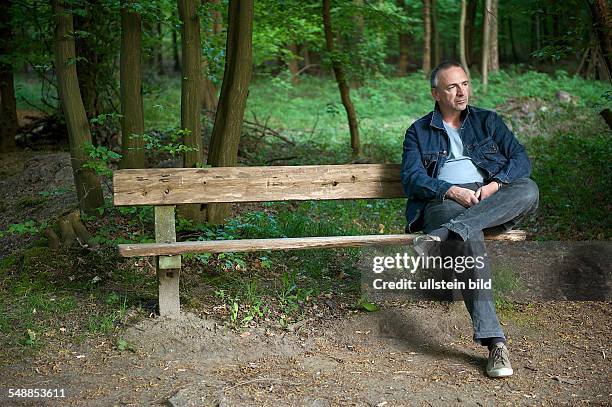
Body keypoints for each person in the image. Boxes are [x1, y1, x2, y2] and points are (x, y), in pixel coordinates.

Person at [400, 60, 539, 378]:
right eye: (452, 86)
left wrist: (495, 184)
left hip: (488, 199)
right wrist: (451, 191)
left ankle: (446, 234)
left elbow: (520, 159)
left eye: (464, 84)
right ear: (436, 93)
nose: (461, 91)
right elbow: (411, 179)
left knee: (528, 190)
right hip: (444, 201)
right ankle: (496, 343)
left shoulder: (488, 121)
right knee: (469, 237)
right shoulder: (419, 132)